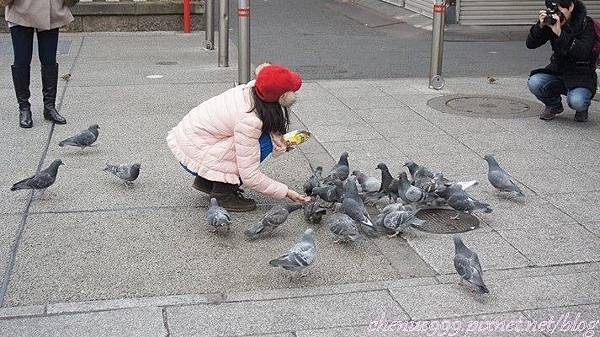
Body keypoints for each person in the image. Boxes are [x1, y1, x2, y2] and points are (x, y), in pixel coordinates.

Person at [166, 63, 312, 212]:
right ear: (282, 98)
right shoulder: (250, 120)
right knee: (265, 143)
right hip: (194, 153)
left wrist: (278, 137)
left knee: (261, 139)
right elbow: (249, 174)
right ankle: (223, 194)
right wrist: (286, 192)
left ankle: (207, 181)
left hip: (191, 145)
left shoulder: (250, 90)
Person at [4, 0, 76, 128]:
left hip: (50, 8)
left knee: (49, 59)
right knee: (21, 60)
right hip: (20, 8)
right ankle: (24, 108)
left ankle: (49, 107)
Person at [526, 0, 597, 122]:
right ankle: (554, 105)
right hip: (558, 71)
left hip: (582, 75)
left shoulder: (586, 23)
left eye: (560, 10)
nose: (557, 14)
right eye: (554, 10)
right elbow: (530, 44)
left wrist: (560, 33)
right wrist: (540, 26)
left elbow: (583, 52)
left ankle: (582, 108)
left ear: (571, 7)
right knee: (535, 82)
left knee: (577, 101)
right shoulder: (554, 21)